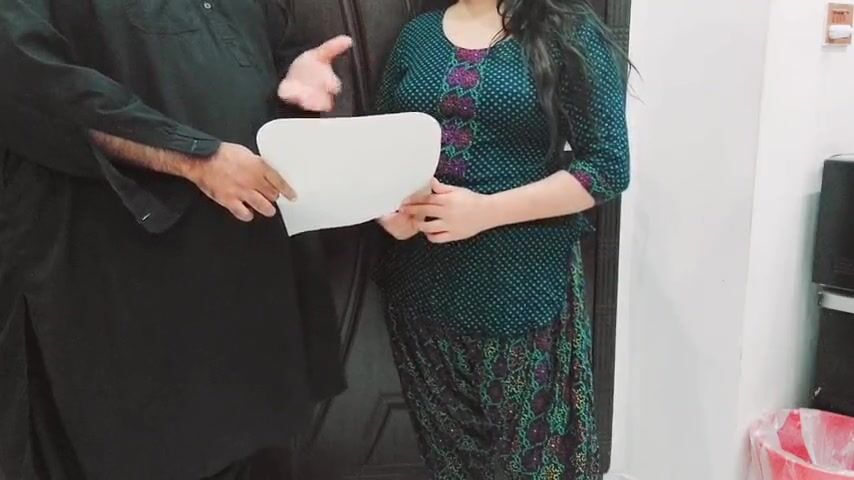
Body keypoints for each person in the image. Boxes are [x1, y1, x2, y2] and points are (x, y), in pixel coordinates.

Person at [0, 1, 351, 478]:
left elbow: (273, 50)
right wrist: (192, 157)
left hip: (246, 284)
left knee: (251, 441)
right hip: (122, 291)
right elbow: (25, 81)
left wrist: (297, 74)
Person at [374, 0, 630, 478]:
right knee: (452, 464)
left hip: (524, 294)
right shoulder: (418, 37)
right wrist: (388, 211)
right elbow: (378, 148)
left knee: (536, 466)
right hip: (421, 295)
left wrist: (485, 211)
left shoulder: (565, 31)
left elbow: (608, 166)